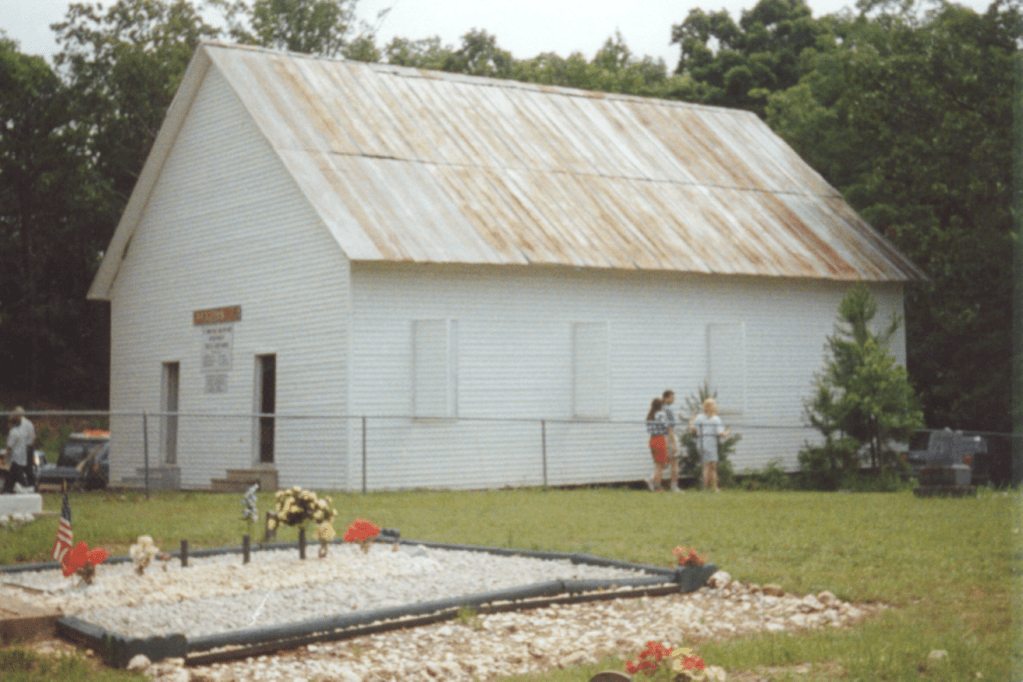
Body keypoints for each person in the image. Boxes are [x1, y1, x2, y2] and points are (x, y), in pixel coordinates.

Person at [689, 398, 729, 492]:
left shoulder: (699, 417)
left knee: (708, 465)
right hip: (710, 443)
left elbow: (692, 429)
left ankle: (711, 487)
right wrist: (727, 432)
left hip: (701, 442)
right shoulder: (716, 419)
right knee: (710, 466)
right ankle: (709, 488)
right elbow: (721, 434)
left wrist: (691, 421)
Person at [3, 407, 36, 493]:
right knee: (14, 473)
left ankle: (26, 487)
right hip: (23, 452)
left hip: (21, 453)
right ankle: (7, 489)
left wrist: (5, 457)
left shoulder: (16, 430)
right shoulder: (21, 428)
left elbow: (9, 446)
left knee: (20, 472)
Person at [645, 398, 669, 491]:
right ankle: (656, 485)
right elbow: (666, 426)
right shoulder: (660, 414)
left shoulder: (649, 415)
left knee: (658, 463)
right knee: (661, 464)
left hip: (652, 439)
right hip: (660, 438)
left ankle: (653, 480)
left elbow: (648, 429)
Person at [661, 390, 682, 492]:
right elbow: (669, 427)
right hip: (670, 436)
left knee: (668, 460)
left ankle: (653, 478)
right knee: (674, 461)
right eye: (672, 397)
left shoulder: (661, 408)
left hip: (665, 436)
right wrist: (674, 442)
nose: (673, 399)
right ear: (666, 398)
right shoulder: (667, 409)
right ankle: (674, 486)